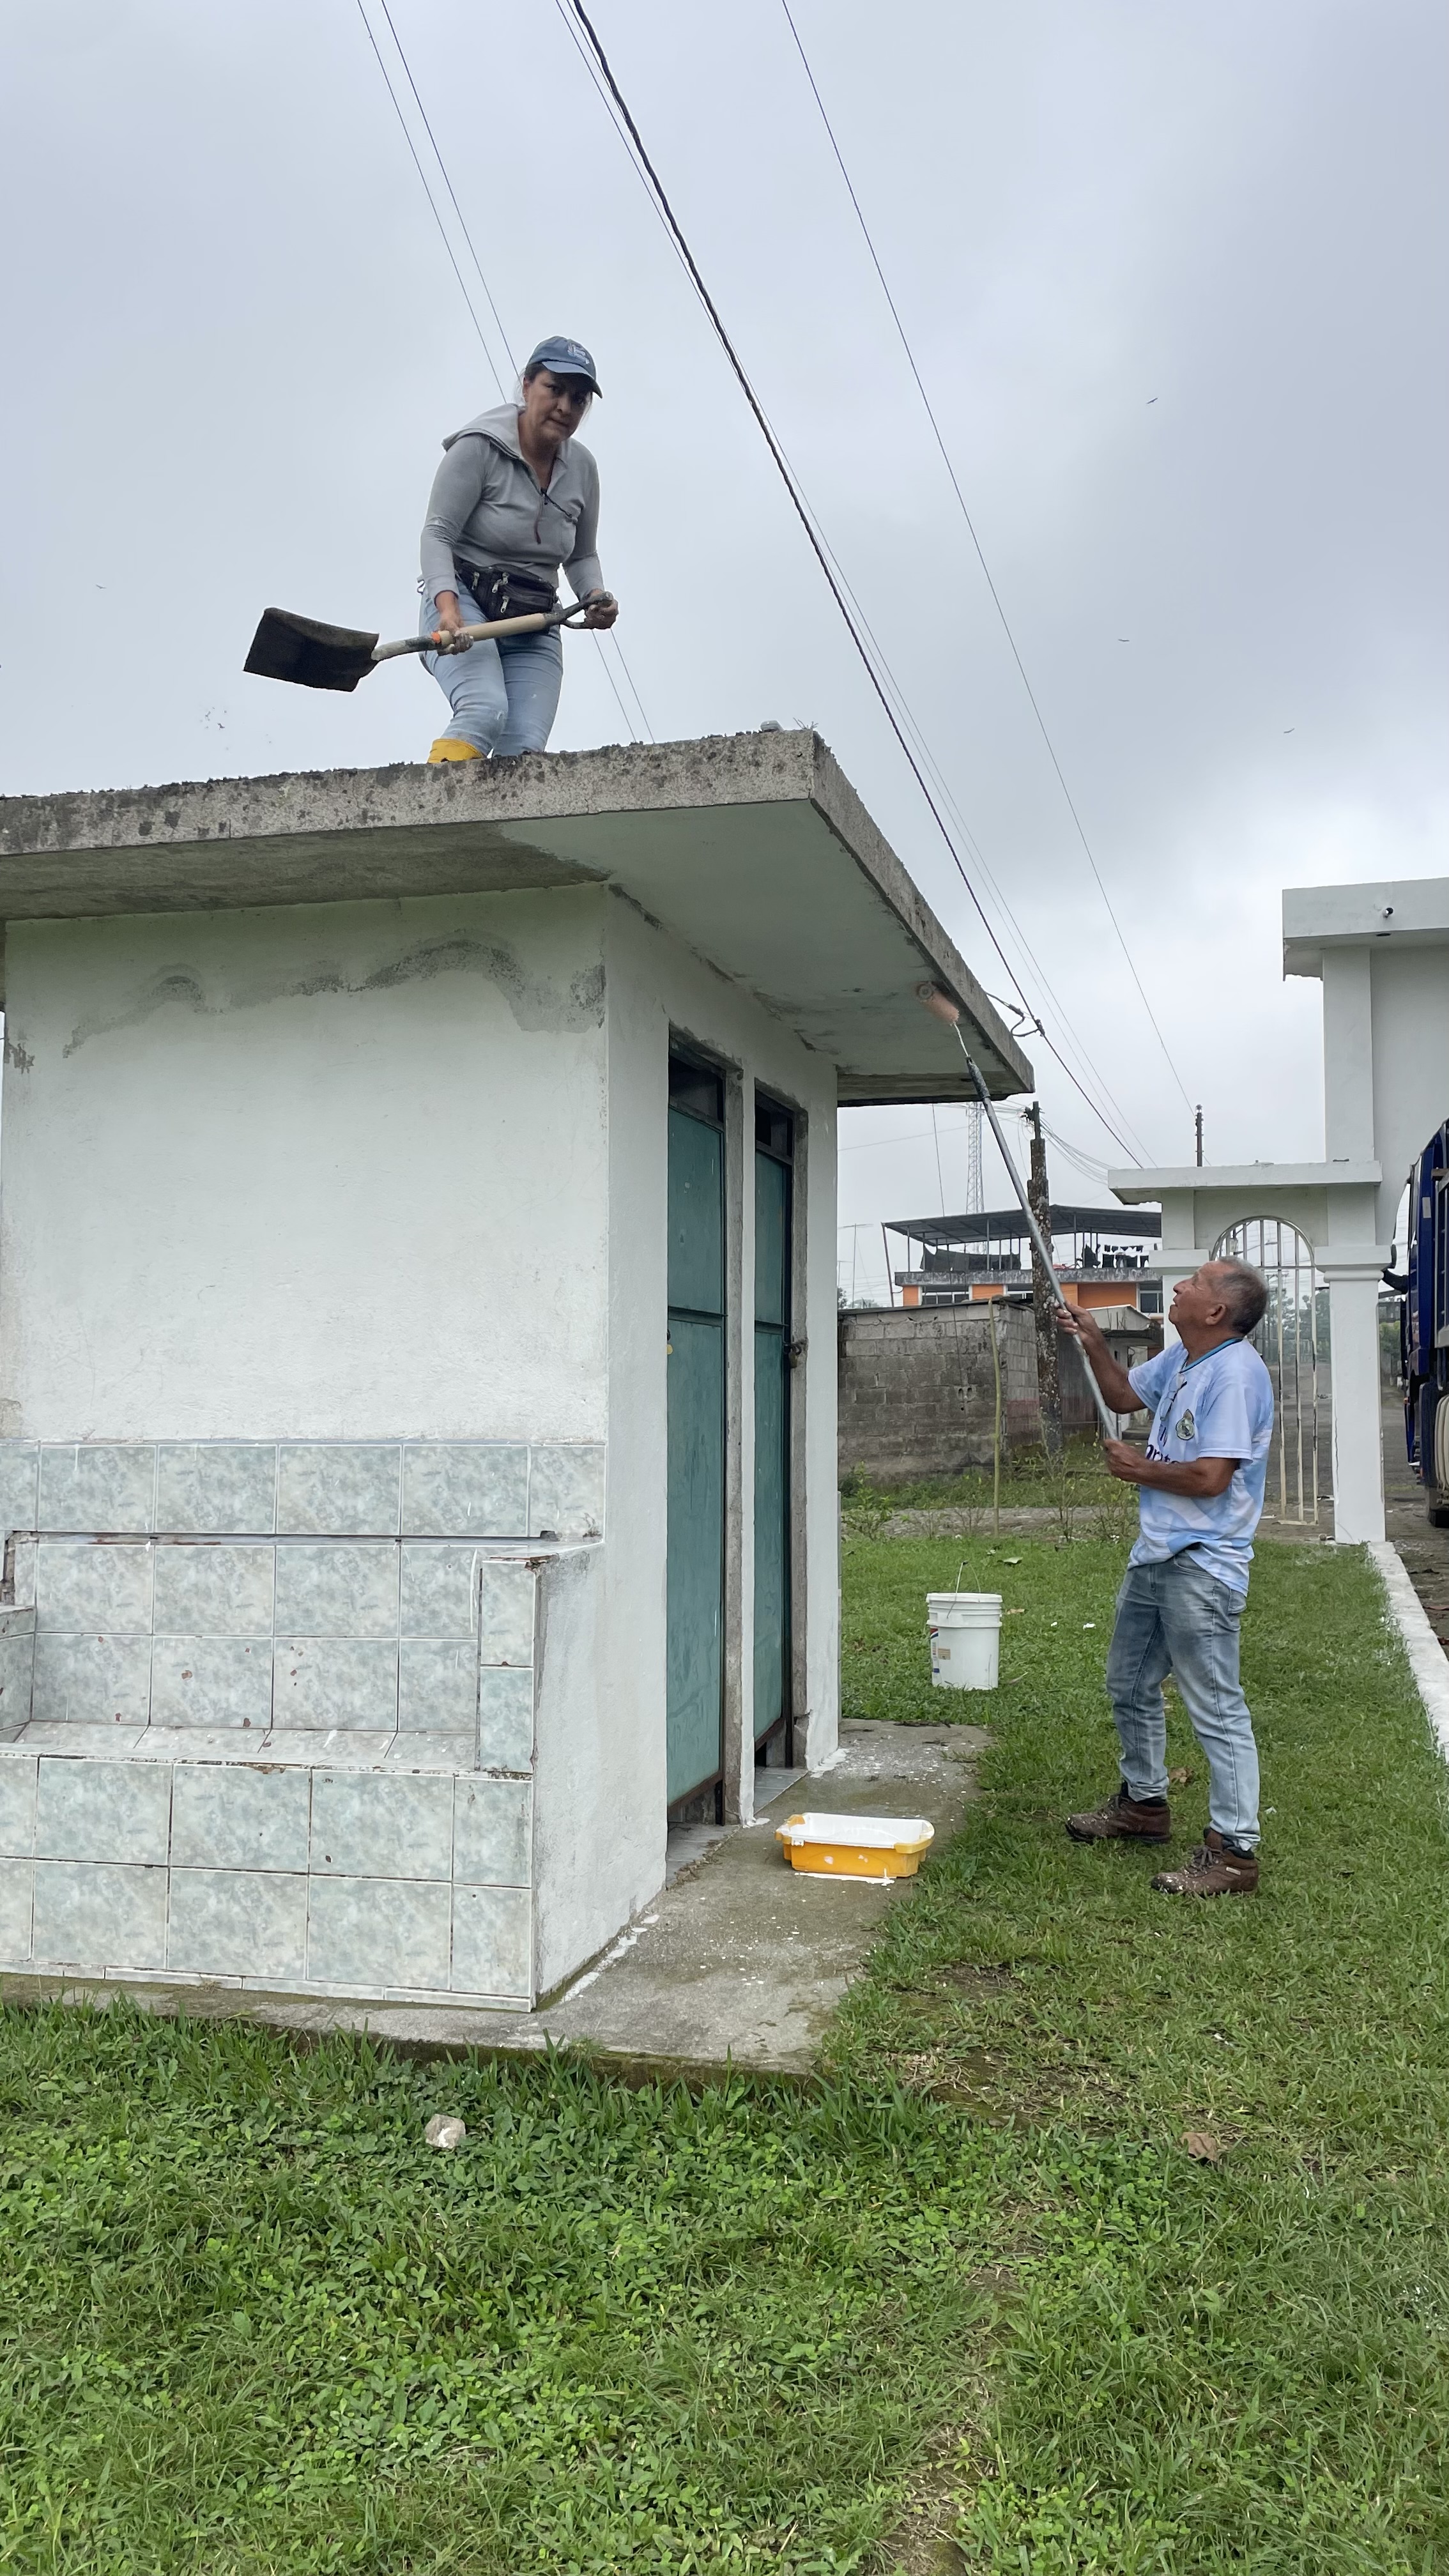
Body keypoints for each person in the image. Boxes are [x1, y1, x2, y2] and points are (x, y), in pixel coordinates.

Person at [1056, 1259, 1273, 1896]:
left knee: (1216, 1705)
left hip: (1204, 1563)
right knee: (1128, 1682)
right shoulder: (1184, 1357)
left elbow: (1211, 1478)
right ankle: (1143, 1805)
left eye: (1195, 1284)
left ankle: (1234, 1852)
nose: (1179, 1287)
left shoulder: (1234, 1374)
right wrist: (1094, 1342)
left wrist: (1140, 1469)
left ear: (1217, 1311)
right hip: (1157, 1555)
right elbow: (1125, 1397)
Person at [418, 335, 618, 764]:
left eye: (578, 399)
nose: (565, 407)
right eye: (555, 389)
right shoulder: (479, 447)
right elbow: (437, 534)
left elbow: (581, 556)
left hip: (535, 619)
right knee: (484, 710)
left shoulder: (583, 469)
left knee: (524, 749)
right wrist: (448, 609)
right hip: (463, 600)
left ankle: (485, 815)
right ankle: (431, 802)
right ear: (527, 385)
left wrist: (595, 596)